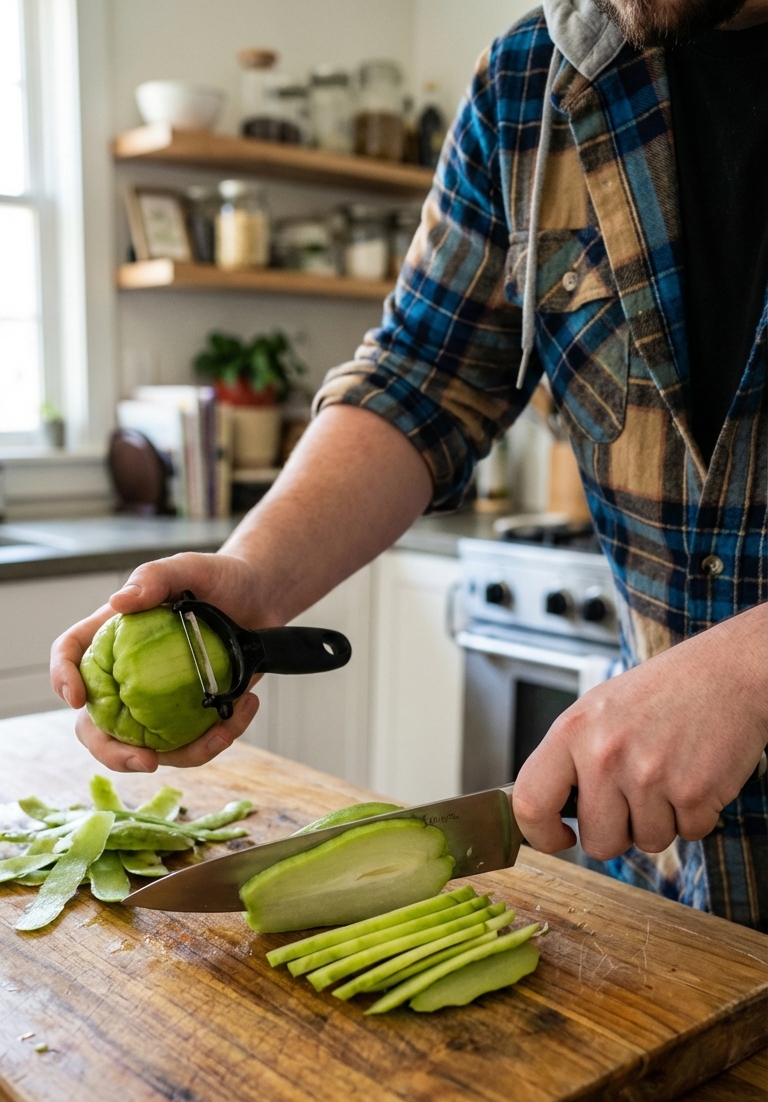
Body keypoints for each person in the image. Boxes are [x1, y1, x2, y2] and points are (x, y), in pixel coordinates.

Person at [52, 0, 768, 930]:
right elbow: (422, 381)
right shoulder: (528, 86)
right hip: (677, 887)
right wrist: (254, 576)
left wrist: (749, 669)